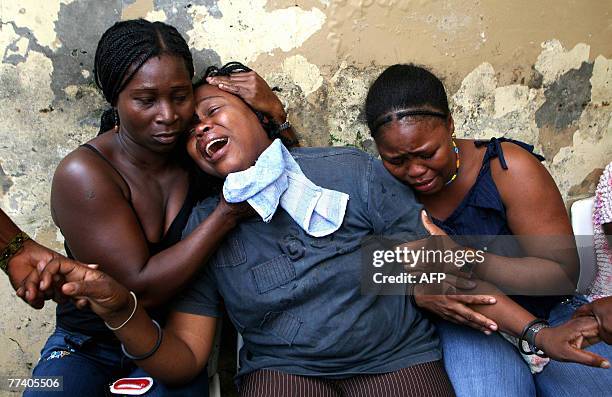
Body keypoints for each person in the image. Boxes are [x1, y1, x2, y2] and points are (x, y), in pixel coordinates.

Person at [35, 63, 606, 397]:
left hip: (396, 365)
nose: (201, 128)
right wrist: (120, 312)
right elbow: (185, 358)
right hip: (285, 377)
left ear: (258, 118)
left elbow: (437, 268)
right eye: (190, 131)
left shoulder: (350, 172)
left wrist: (538, 334)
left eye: (213, 111)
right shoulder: (203, 227)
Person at [24, 20, 293, 397]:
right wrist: (224, 216)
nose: (168, 115)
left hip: (177, 341)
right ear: (115, 99)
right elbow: (138, 290)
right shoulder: (84, 174)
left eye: (180, 96)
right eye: (146, 100)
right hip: (87, 345)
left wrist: (275, 114)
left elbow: (283, 179)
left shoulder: (198, 153)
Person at [365, 63, 612, 396]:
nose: (415, 171)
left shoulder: (508, 169)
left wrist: (466, 259)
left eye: (427, 153)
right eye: (396, 160)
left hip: (551, 311)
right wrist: (415, 290)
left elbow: (562, 274)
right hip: (469, 326)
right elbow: (375, 269)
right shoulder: (379, 190)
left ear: (450, 126)